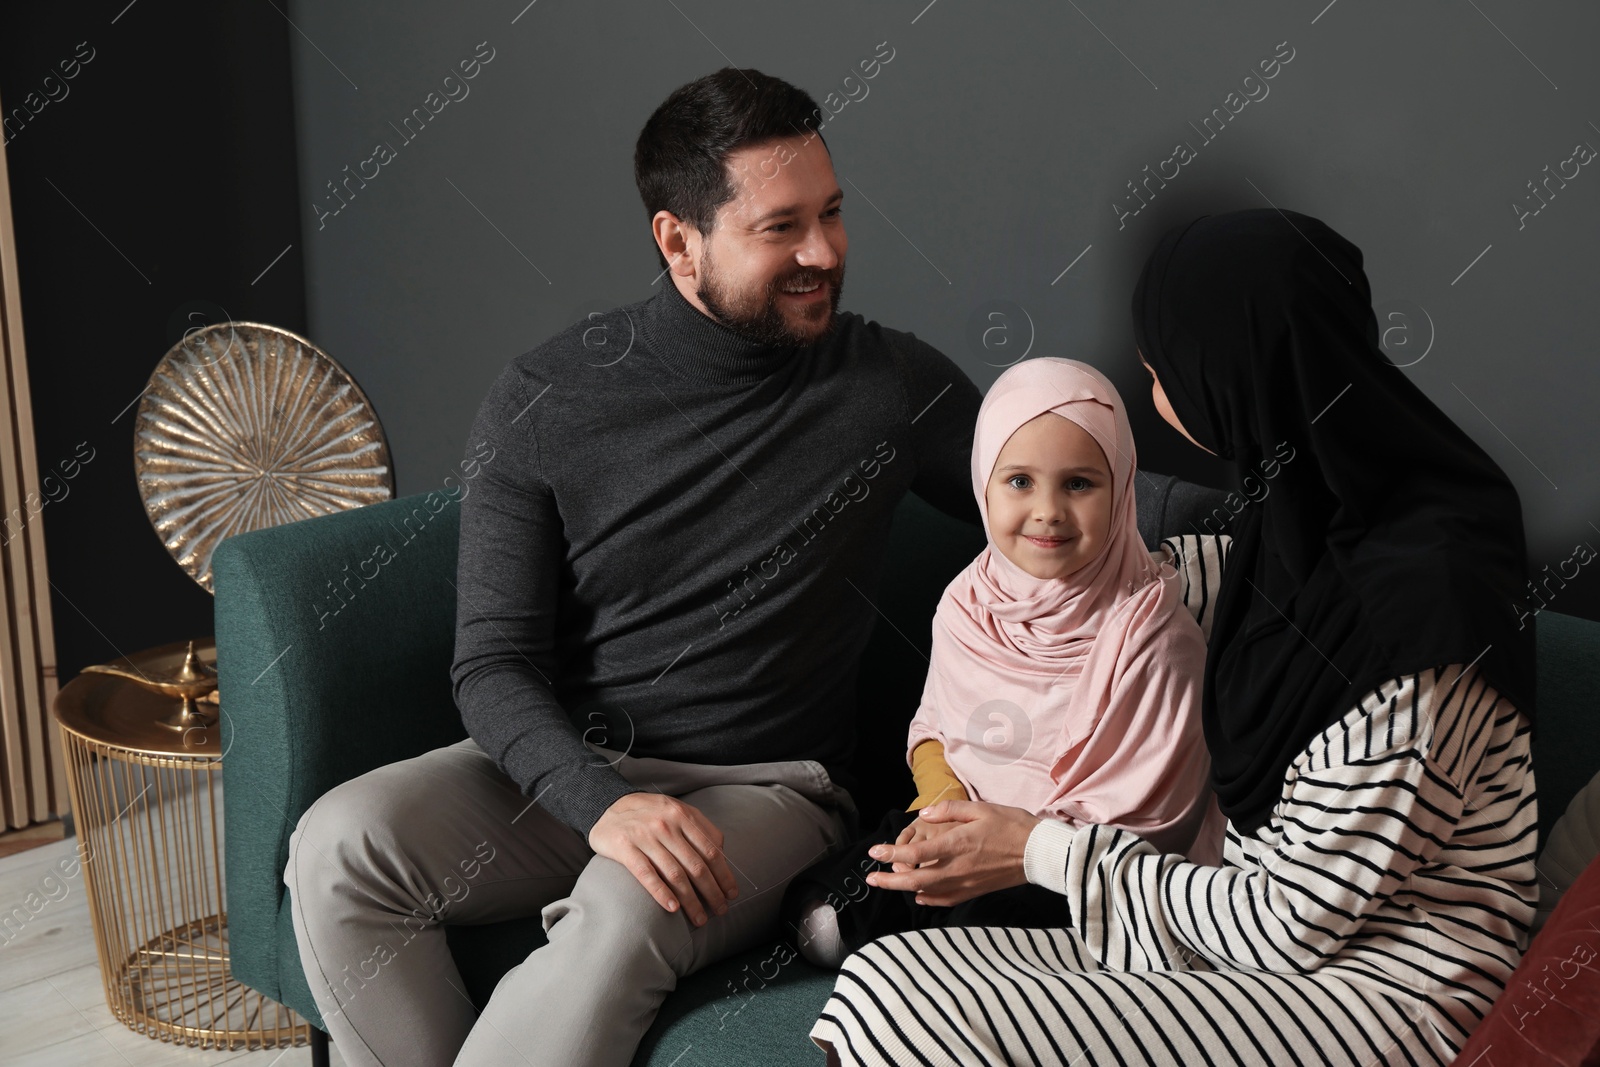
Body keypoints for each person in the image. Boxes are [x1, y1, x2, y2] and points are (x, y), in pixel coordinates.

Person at [807, 208, 1540, 1067]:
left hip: (1381, 985)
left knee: (909, 1016)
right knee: (887, 978)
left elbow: (1295, 919)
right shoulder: (1303, 517)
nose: (1151, 381)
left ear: (1237, 380)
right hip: (1243, 924)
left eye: (1169, 365)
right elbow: (1147, 580)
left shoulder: (1422, 624)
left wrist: (1038, 846)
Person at [780, 357, 1220, 969]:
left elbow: (1154, 816)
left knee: (976, 920)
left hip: (1067, 865)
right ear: (983, 482)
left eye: (1078, 484)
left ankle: (948, 960)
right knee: (829, 902)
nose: (1047, 511)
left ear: (1122, 491)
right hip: (959, 811)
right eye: (1019, 482)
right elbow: (936, 728)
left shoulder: (1153, 636)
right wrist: (941, 811)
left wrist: (1012, 843)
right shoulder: (969, 601)